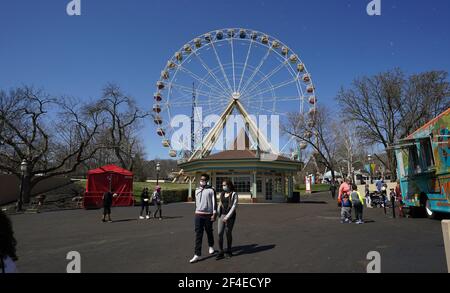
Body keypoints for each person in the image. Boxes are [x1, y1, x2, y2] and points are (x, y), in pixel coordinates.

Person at [190, 174, 217, 264]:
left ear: (207, 180)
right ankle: (197, 254)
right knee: (198, 234)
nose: (202, 181)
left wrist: (214, 213)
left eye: (204, 179)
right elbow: (196, 202)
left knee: (209, 231)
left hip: (208, 214)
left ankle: (211, 245)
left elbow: (214, 202)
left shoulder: (211, 190)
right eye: (201, 179)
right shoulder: (197, 190)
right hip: (198, 214)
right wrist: (196, 211)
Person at [216, 179, 238, 260]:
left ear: (229, 185)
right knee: (219, 233)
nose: (223, 186)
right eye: (222, 185)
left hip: (230, 216)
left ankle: (229, 251)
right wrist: (218, 212)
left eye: (224, 185)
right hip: (222, 215)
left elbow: (234, 206)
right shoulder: (222, 193)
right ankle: (221, 251)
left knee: (228, 232)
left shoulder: (234, 194)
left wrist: (227, 217)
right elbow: (220, 203)